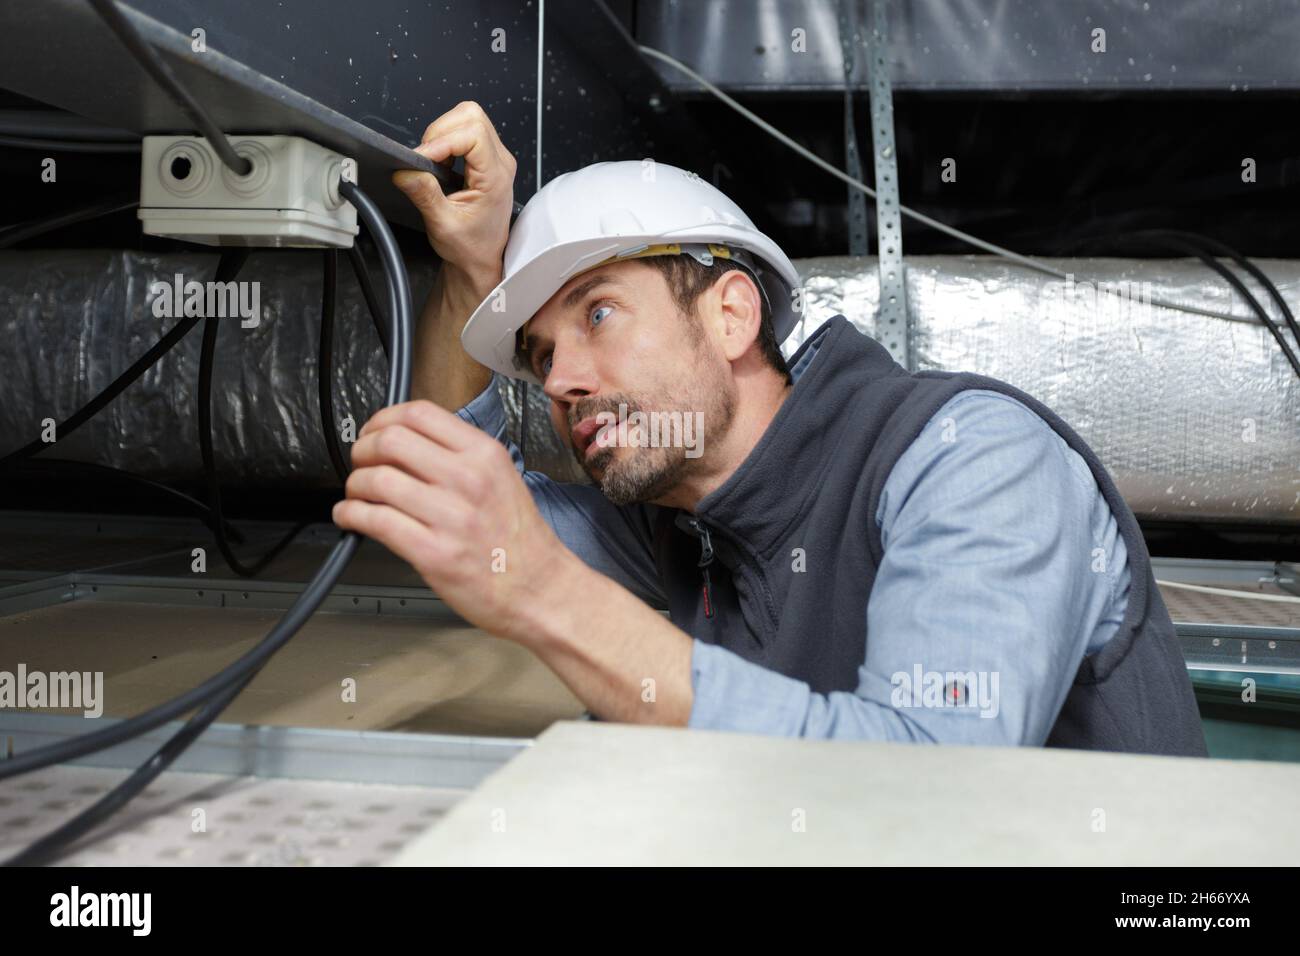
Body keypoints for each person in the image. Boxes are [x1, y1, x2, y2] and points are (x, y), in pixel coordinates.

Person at [333, 101, 1206, 754]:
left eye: (597, 315)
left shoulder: (974, 458)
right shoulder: (683, 512)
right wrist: (466, 269)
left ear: (731, 315)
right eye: (541, 352)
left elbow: (938, 783)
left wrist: (548, 594)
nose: (559, 379)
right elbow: (444, 508)